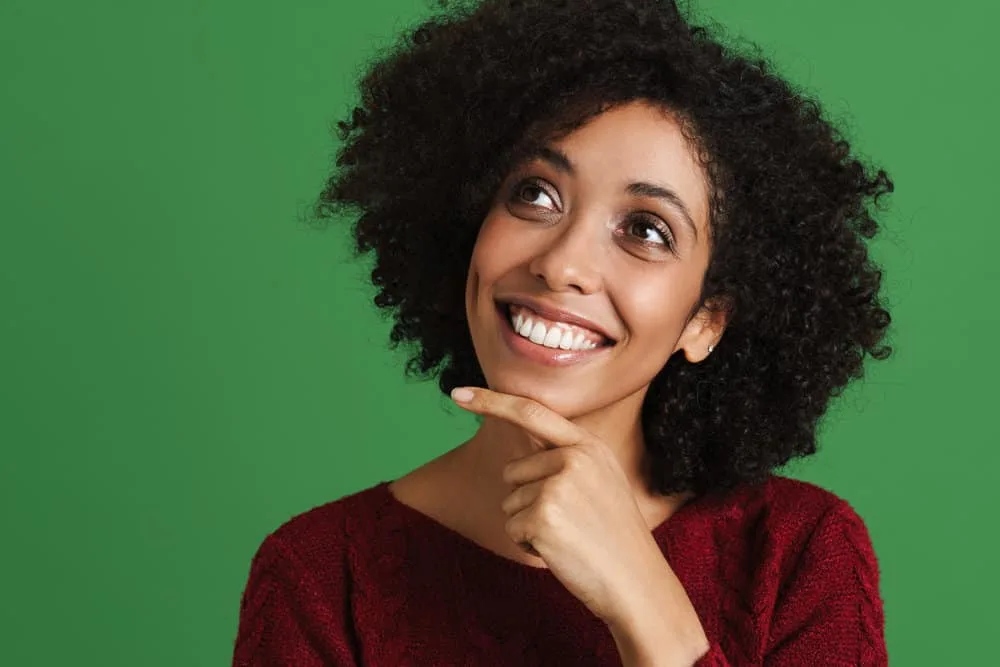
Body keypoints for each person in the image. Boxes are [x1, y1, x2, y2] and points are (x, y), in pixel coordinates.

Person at [231, 0, 894, 664]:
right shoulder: (322, 575)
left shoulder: (800, 553)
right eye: (536, 194)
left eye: (645, 230)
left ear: (705, 320)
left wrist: (644, 602)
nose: (561, 264)